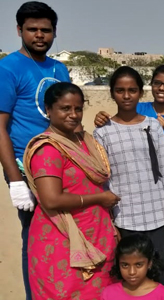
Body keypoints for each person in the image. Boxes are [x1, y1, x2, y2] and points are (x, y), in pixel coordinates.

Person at [22, 82, 118, 299]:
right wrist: (100, 198)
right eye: (65, 108)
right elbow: (51, 200)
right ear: (48, 109)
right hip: (63, 239)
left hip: (97, 233)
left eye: (78, 108)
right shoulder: (48, 149)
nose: (73, 114)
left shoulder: (82, 141)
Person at [93, 66, 164, 299]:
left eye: (132, 90)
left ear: (140, 93)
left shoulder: (152, 125)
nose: (126, 95)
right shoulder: (103, 132)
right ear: (112, 93)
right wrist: (112, 220)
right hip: (126, 216)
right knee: (132, 280)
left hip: (158, 214)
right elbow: (104, 179)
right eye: (120, 90)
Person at [0, 3, 69, 298]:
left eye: (46, 30)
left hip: (60, 160)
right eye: (32, 29)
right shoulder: (8, 68)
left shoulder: (59, 68)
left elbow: (70, 115)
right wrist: (15, 180)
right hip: (27, 165)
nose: (39, 35)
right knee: (37, 236)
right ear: (20, 31)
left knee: (62, 234)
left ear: (54, 32)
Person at [94, 64, 164, 162]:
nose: (161, 88)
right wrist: (102, 119)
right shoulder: (137, 108)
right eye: (157, 83)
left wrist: (160, 133)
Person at [103, 234, 164, 300]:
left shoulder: (162, 295)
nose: (132, 272)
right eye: (125, 265)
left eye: (138, 265)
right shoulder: (108, 294)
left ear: (149, 263)